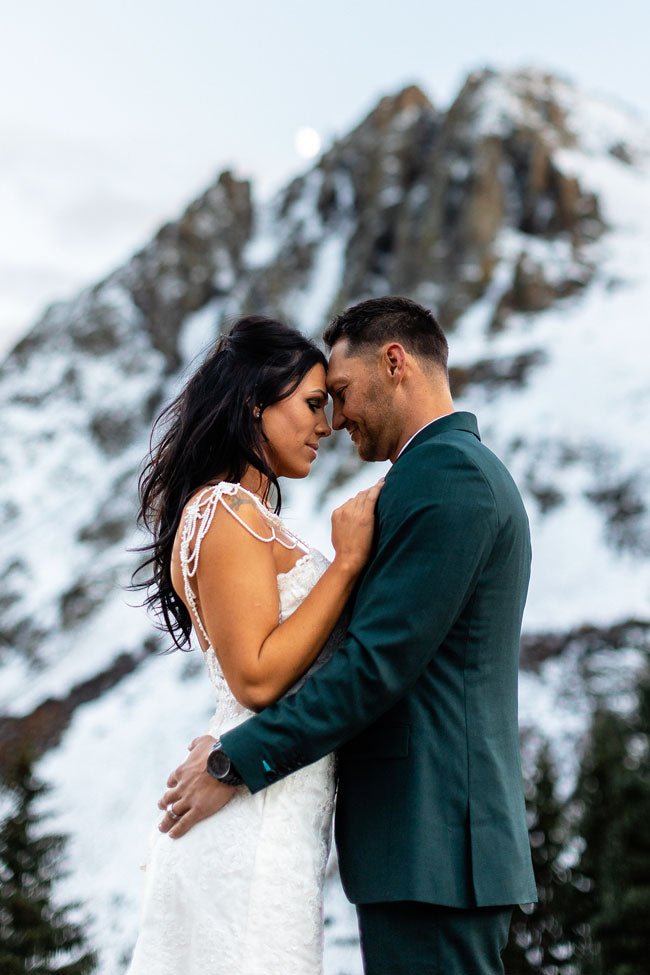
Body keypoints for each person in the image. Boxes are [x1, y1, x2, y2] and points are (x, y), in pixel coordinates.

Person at [159, 296, 537, 975]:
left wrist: (235, 758)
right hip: (414, 845)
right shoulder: (431, 475)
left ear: (394, 362)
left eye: (337, 393)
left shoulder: (448, 477)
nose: (334, 421)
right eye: (317, 402)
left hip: (437, 844)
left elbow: (376, 665)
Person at [126, 315, 383, 975]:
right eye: (310, 404)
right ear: (253, 402)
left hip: (275, 815)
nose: (325, 425)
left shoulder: (248, 515)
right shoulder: (226, 512)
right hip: (252, 820)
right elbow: (258, 678)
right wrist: (346, 565)